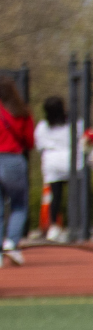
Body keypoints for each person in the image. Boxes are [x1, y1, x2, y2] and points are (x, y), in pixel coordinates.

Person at [0, 77, 31, 266]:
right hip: (13, 159)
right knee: (19, 205)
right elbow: (29, 141)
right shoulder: (21, 111)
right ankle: (11, 243)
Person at [35, 97, 71, 243]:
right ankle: (75, 225)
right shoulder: (72, 123)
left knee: (55, 196)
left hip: (52, 162)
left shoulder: (43, 126)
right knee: (74, 196)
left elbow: (39, 145)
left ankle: (54, 227)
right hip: (70, 161)